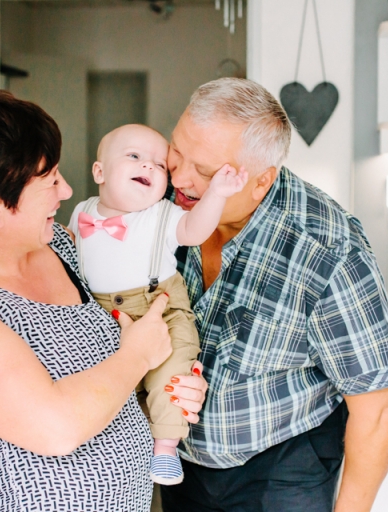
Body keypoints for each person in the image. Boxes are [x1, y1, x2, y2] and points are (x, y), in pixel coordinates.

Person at [0, 90, 207, 512]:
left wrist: (171, 383)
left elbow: (103, 377)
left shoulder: (59, 245)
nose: (66, 190)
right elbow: (56, 428)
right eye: (49, 181)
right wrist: (139, 355)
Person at [160, 78, 388, 512]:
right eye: (176, 150)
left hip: (281, 473)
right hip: (179, 463)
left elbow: (378, 405)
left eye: (206, 172)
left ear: (261, 181)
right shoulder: (156, 197)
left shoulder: (329, 249)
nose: (179, 177)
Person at [68, 124, 246, 485]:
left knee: (172, 374)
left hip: (159, 309)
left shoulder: (162, 215)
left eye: (159, 164)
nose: (149, 166)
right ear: (100, 172)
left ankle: (165, 446)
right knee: (111, 383)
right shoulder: (81, 212)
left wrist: (216, 194)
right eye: (134, 156)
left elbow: (196, 230)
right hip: (103, 314)